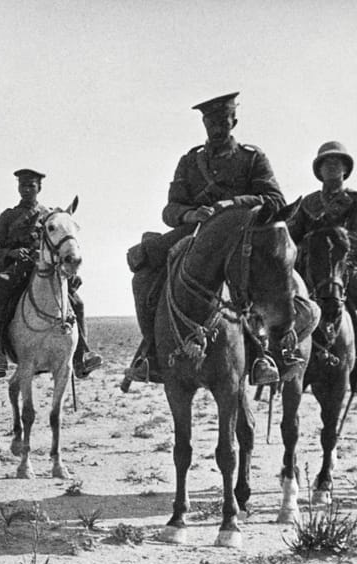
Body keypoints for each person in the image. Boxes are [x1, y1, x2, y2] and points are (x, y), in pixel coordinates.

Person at [123, 93, 295, 388]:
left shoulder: (252, 157)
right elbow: (170, 209)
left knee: (265, 276)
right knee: (142, 271)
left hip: (243, 235)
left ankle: (264, 355)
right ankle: (151, 351)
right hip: (195, 232)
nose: (216, 127)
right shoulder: (190, 162)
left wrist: (232, 205)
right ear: (204, 124)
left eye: (222, 120)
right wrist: (190, 215)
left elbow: (275, 199)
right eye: (210, 121)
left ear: (233, 122)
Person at [0, 168, 103, 378]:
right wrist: (11, 252)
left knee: (78, 303)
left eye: (31, 185)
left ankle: (82, 354)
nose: (26, 189)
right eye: (23, 185)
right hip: (17, 269)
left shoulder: (50, 216)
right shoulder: (8, 216)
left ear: (39, 188)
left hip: (47, 269)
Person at [288, 142, 357, 397]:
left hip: (345, 266)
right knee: (280, 296)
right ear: (319, 170)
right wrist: (309, 247)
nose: (332, 167)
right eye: (326, 163)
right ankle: (275, 358)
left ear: (345, 169)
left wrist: (336, 244)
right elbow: (291, 235)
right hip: (311, 267)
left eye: (337, 163)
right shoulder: (307, 203)